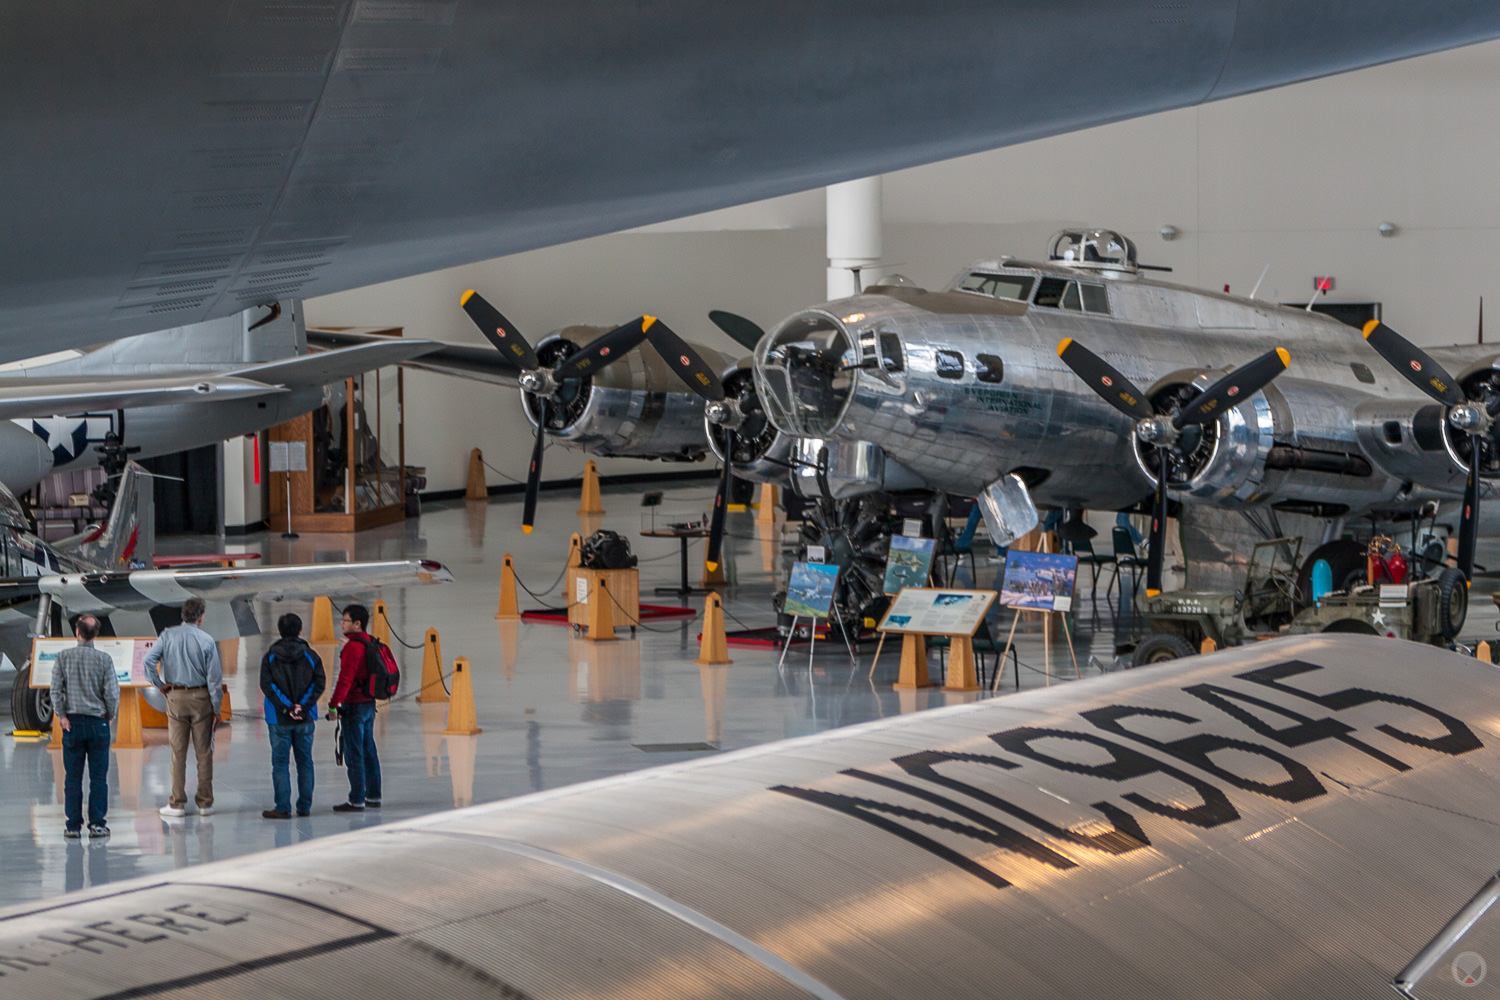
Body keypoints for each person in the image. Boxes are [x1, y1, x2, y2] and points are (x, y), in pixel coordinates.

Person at [144, 596, 223, 818]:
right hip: (201, 698)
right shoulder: (207, 640)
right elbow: (215, 679)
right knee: (204, 753)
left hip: (175, 697)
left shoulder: (167, 635)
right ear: (201, 617)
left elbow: (149, 661)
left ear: (183, 615)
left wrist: (159, 684)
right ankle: (205, 803)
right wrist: (216, 708)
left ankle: (177, 803)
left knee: (178, 753)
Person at [51, 614, 119, 838]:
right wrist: (110, 714)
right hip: (97, 722)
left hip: (72, 723)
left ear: (77, 633)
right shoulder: (105, 659)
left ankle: (72, 826)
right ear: (95, 635)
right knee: (99, 777)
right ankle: (97, 823)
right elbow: (111, 692)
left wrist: (61, 715)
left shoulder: (63, 657)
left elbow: (55, 690)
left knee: (73, 777)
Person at [259, 612, 325, 820]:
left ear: (279, 631)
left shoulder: (270, 656)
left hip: (278, 719)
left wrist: (287, 707)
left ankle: (283, 807)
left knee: (280, 764)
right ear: (300, 630)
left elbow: (268, 686)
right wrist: (302, 707)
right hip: (305, 719)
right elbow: (318, 683)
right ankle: (304, 806)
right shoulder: (311, 655)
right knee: (305, 762)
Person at [328, 603, 381, 811]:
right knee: (369, 750)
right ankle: (374, 795)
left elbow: (345, 679)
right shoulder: (369, 642)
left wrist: (333, 706)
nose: (342, 624)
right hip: (369, 704)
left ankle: (356, 798)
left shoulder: (353, 647)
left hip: (354, 707)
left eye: (345, 620)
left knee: (354, 753)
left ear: (357, 624)